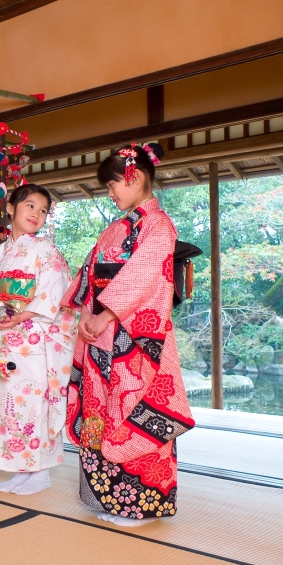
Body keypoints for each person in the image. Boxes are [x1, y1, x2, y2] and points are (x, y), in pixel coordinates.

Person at [61, 143, 194, 527]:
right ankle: (108, 498)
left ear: (133, 177)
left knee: (132, 409)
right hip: (102, 336)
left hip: (133, 339)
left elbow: (144, 277)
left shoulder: (159, 225)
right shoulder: (115, 228)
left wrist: (104, 316)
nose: (111, 193)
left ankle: (141, 505)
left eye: (112, 185)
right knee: (99, 413)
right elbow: (89, 274)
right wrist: (87, 310)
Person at [0, 184, 77, 495]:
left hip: (32, 343)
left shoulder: (46, 252)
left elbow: (54, 295)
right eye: (30, 206)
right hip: (1, 340)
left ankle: (40, 471)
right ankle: (22, 468)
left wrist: (22, 315)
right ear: (11, 208)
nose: (37, 214)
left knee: (32, 405)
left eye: (43, 210)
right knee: (8, 404)